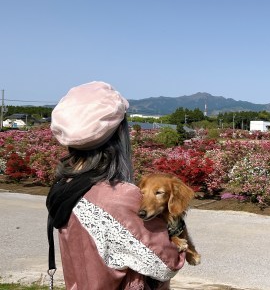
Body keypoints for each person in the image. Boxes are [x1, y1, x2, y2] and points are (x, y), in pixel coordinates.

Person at [46, 81, 185, 289]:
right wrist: (176, 227)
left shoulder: (65, 185)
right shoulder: (119, 196)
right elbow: (166, 264)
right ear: (119, 134)